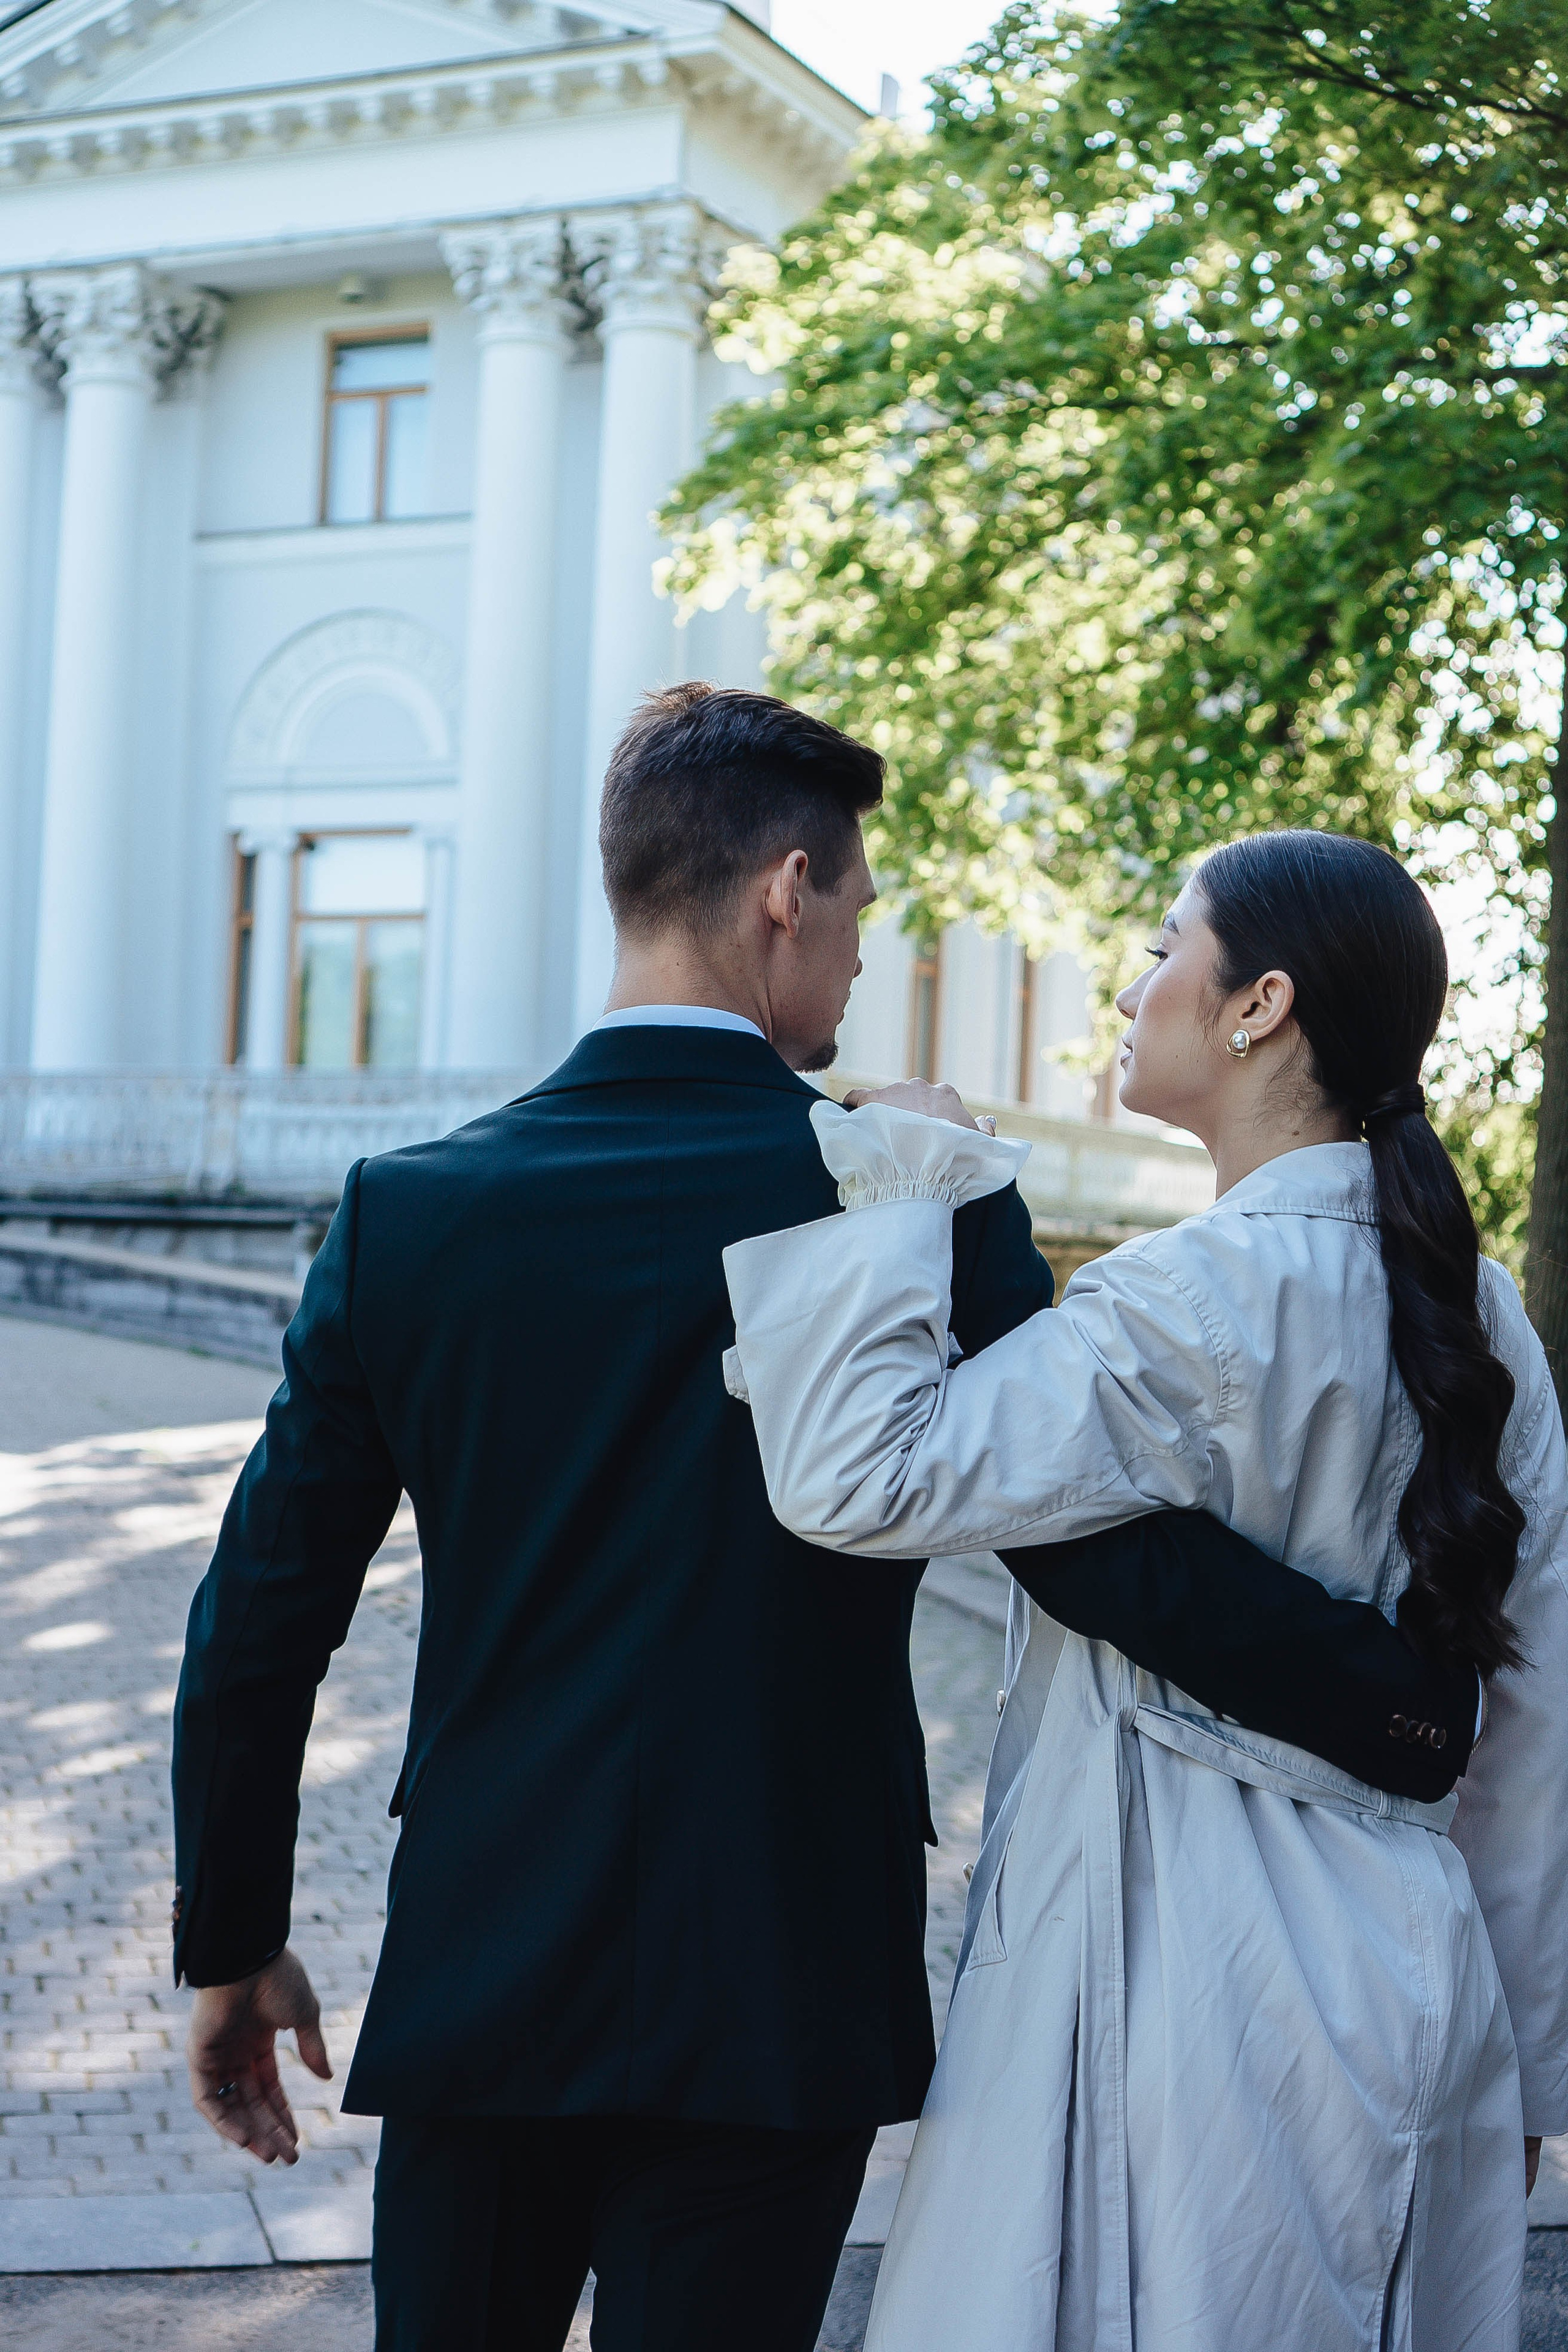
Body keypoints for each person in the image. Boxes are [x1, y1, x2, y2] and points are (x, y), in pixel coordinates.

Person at [174, 716, 1477, 2352]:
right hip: (783, 1974)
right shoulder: (914, 1194)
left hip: (487, 1959)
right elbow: (1080, 1543)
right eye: (862, 909)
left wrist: (232, 1938)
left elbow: (263, 1619)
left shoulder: (412, 1210)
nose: (868, 955)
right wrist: (1401, 1704)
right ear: (787, 891)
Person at [724, 829, 1568, 2351]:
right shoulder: (1479, 1308)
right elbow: (1530, 1711)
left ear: (1256, 1007)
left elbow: (860, 1476)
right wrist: (1528, 2064)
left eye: (1164, 945)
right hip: (1420, 1976)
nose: (1127, 985)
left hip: (1186, 1963)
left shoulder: (1186, 1298)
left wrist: (902, 1178)